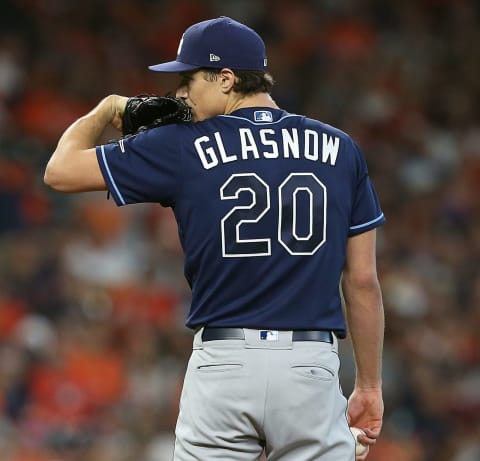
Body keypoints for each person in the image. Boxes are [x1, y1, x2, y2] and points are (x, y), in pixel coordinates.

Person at [44, 16, 385, 461]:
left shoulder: (182, 144)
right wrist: (369, 385)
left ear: (226, 79)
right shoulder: (341, 149)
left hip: (226, 363)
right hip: (310, 366)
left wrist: (110, 109)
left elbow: (59, 171)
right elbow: (361, 282)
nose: (181, 93)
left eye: (189, 79)